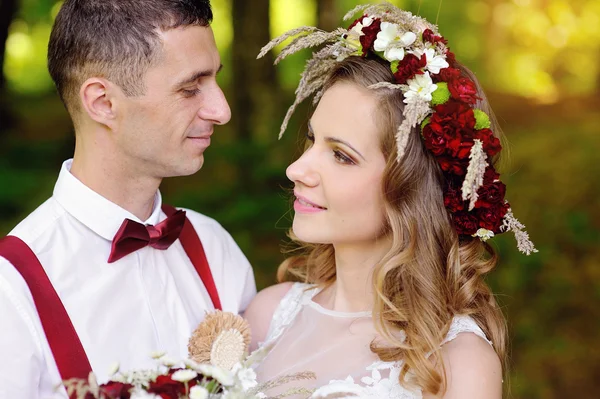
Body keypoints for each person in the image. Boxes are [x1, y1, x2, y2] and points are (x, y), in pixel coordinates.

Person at [245, 3, 536, 398]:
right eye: (312, 140)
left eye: (342, 156)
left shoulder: (455, 363)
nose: (297, 169)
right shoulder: (267, 316)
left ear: (411, 190)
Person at [0, 1, 256, 397]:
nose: (221, 110)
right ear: (103, 103)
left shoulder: (214, 246)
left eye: (214, 81)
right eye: (190, 88)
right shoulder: (12, 290)